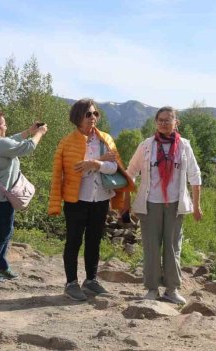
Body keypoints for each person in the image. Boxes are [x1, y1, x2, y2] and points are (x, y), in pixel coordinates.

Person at [48, 99, 134, 301]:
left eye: (95, 114)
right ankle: (71, 283)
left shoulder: (105, 139)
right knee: (74, 241)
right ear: (77, 116)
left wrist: (96, 163)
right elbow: (69, 171)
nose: (93, 118)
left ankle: (91, 280)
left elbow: (116, 168)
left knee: (94, 240)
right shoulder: (66, 142)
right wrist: (94, 164)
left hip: (101, 198)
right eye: (88, 114)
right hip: (76, 199)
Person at [124, 106, 202, 305]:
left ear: (176, 122)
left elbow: (195, 175)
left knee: (173, 246)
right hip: (150, 204)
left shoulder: (184, 146)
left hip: (175, 205)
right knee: (151, 247)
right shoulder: (146, 145)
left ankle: (172, 289)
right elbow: (130, 172)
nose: (163, 123)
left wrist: (197, 205)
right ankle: (151, 289)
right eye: (160, 120)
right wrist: (125, 203)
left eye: (168, 120)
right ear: (156, 122)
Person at [0, 111, 47, 282]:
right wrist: (39, 133)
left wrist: (29, 131)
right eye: (4, 123)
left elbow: (12, 140)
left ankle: (2, 266)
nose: (6, 126)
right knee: (3, 232)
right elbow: (27, 147)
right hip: (0, 194)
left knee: (4, 231)